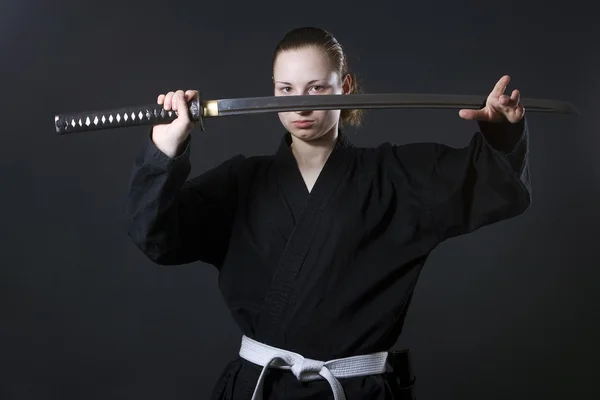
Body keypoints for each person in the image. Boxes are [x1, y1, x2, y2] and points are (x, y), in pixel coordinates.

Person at [125, 27, 531, 400]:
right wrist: (165, 151)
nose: (301, 104)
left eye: (317, 87)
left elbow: (487, 184)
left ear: (346, 87)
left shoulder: (398, 178)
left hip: (357, 391)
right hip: (261, 390)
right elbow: (156, 234)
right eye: (286, 89)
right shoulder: (240, 183)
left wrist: (502, 133)